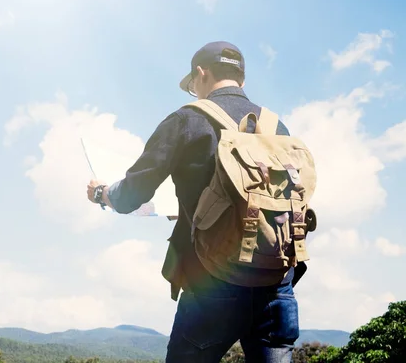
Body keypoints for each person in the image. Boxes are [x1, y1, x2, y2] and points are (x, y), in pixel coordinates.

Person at [86, 41, 302, 362]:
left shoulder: (187, 120)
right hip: (276, 282)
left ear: (201, 73)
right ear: (241, 79)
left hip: (213, 279)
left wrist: (103, 193)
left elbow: (135, 192)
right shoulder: (277, 127)